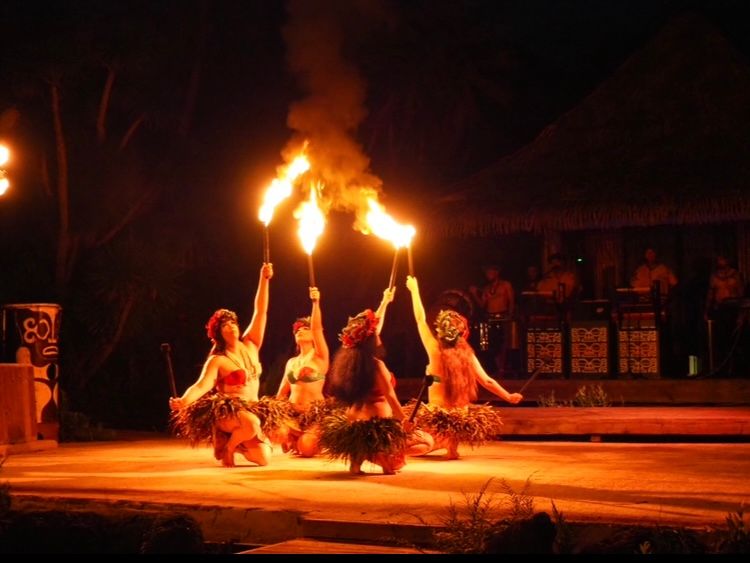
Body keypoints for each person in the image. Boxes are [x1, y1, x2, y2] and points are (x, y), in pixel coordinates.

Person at [169, 263, 292, 467]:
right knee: (252, 423)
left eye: (233, 323)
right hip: (230, 413)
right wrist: (184, 400)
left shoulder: (251, 344)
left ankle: (234, 442)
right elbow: (201, 385)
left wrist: (264, 279)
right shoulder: (218, 360)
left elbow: (261, 311)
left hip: (252, 409)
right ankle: (227, 443)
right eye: (225, 325)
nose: (231, 326)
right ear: (218, 333)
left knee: (263, 459)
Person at [406, 275, 523, 460]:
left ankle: (434, 442)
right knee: (438, 385)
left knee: (415, 442)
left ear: (440, 331)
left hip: (437, 419)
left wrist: (414, 291)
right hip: (458, 421)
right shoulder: (467, 354)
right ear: (462, 333)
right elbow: (487, 381)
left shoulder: (434, 349)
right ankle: (451, 447)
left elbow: (420, 319)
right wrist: (508, 396)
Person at [318, 287, 412, 475]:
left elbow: (373, 328)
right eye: (375, 335)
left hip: (354, 425)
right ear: (371, 340)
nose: (379, 336)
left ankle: (358, 457)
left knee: (383, 458)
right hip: (376, 427)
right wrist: (403, 419)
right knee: (397, 463)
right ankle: (375, 454)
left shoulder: (350, 364)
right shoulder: (376, 365)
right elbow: (390, 396)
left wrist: (384, 302)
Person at [276, 286, 330, 457]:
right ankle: (293, 438)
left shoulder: (320, 356)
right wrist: (277, 416)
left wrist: (315, 302)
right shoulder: (291, 362)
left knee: (306, 448)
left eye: (305, 328)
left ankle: (310, 440)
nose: (300, 330)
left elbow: (317, 328)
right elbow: (281, 393)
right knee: (277, 433)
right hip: (293, 416)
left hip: (313, 416)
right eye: (297, 330)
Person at [468, 263, 515, 376]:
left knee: (504, 343)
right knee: (493, 343)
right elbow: (482, 305)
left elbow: (511, 300)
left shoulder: (505, 285)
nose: (488, 275)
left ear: (496, 272)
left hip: (503, 316)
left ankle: (503, 367)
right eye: (486, 273)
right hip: (490, 317)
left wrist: (510, 314)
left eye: (490, 272)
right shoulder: (486, 288)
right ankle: (498, 368)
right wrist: (474, 294)